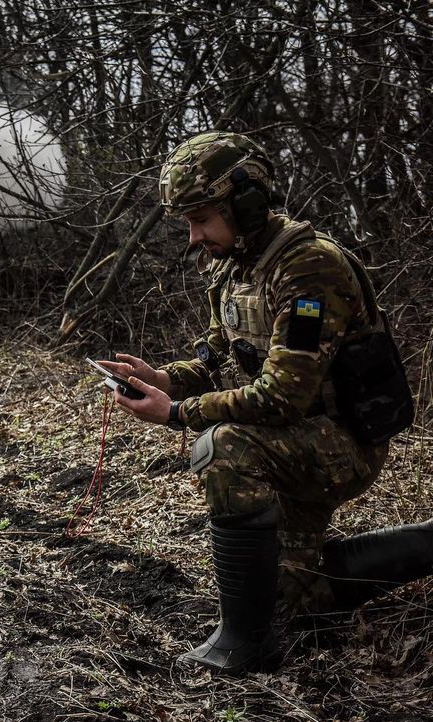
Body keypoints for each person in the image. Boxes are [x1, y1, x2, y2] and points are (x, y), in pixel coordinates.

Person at [97, 131, 430, 675]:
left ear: (245, 203)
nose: (193, 236)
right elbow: (213, 360)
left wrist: (179, 414)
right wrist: (161, 378)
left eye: (201, 218)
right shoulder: (232, 264)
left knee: (221, 448)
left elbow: (282, 396)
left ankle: (245, 643)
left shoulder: (308, 270)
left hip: (339, 444)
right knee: (295, 599)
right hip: (294, 441)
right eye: (187, 221)